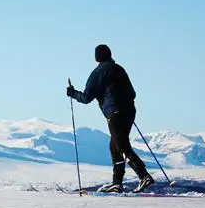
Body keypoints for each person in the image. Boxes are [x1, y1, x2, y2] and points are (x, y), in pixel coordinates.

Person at [66, 44, 155, 193]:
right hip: (129, 110)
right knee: (115, 146)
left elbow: (87, 97)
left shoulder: (98, 72)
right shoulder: (119, 69)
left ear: (97, 57)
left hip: (114, 113)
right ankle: (117, 183)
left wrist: (73, 93)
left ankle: (143, 175)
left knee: (121, 146)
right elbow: (132, 92)